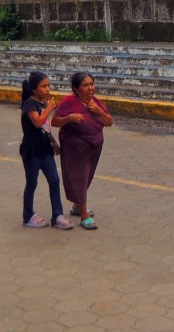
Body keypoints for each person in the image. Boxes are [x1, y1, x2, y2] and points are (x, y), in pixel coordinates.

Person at [53, 71, 113, 230]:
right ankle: (84, 215)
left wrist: (98, 111)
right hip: (75, 148)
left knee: (86, 177)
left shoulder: (96, 102)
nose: (90, 88)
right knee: (80, 177)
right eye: (85, 85)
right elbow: (55, 121)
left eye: (92, 84)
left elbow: (109, 122)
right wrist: (70, 118)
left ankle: (77, 206)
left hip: (93, 147)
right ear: (76, 89)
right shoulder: (69, 101)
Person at [19, 71, 74, 230]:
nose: (48, 89)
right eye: (44, 86)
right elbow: (37, 122)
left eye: (49, 86)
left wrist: (53, 142)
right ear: (34, 89)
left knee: (55, 180)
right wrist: (50, 108)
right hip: (32, 150)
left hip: (45, 149)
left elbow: (45, 127)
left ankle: (57, 215)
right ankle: (28, 215)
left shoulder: (42, 103)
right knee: (32, 183)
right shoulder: (30, 104)